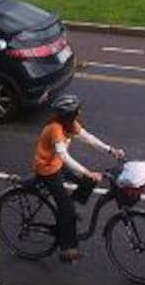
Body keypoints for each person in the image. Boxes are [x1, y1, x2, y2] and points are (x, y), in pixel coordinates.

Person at [31, 93, 123, 262]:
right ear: (69, 114)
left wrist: (111, 150)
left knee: (88, 182)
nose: (79, 113)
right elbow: (64, 156)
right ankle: (67, 249)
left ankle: (68, 209)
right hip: (47, 170)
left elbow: (89, 138)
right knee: (68, 210)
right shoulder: (55, 129)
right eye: (77, 111)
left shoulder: (69, 124)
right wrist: (87, 171)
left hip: (58, 164)